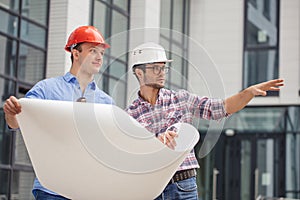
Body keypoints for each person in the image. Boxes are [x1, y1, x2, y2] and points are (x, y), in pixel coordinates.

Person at [125, 42, 284, 200]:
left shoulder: (181, 99)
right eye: (155, 68)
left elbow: (222, 108)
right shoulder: (130, 115)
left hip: (184, 186)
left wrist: (247, 93)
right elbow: (132, 154)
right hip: (152, 189)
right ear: (139, 72)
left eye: (163, 67)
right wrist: (153, 143)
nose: (162, 73)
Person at [3, 25, 114, 199]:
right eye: (93, 51)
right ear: (75, 53)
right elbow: (17, 122)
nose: (99, 57)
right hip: (52, 190)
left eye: (101, 53)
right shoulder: (47, 89)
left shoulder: (106, 102)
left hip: (90, 190)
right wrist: (11, 113)